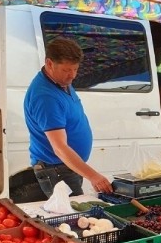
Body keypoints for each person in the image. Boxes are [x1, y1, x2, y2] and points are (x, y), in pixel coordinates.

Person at [24, 37, 113, 197]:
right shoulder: (45, 97)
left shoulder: (61, 81)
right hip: (57, 170)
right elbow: (60, 148)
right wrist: (94, 176)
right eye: (66, 70)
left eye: (75, 69)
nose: (72, 76)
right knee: (72, 218)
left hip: (67, 167)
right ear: (49, 64)